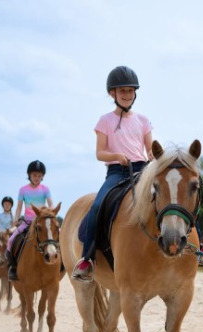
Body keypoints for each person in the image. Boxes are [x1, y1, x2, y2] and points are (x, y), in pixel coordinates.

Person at [71, 65, 153, 281]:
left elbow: (149, 148)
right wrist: (117, 156)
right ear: (112, 94)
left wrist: (154, 156)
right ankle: (87, 258)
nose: (127, 95)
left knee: (171, 195)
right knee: (98, 205)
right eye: (122, 91)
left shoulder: (143, 120)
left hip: (142, 170)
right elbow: (100, 153)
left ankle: (195, 245)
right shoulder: (104, 121)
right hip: (118, 172)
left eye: (130, 91)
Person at [6, 160, 53, 281]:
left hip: (41, 221)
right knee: (11, 241)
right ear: (29, 175)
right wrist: (16, 220)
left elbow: (51, 205)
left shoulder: (45, 189)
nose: (36, 178)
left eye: (39, 175)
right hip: (27, 222)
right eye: (34, 175)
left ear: (42, 176)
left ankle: (60, 266)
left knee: (55, 240)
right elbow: (19, 207)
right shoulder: (23, 190)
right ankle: (13, 268)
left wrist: (51, 216)